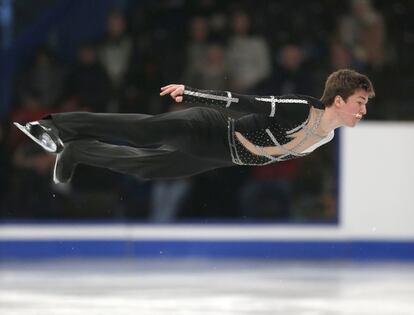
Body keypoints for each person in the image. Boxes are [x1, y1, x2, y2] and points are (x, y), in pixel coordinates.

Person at [13, 69, 374, 184]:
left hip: (219, 156)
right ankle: (53, 125)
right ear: (339, 100)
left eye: (365, 104)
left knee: (148, 168)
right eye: (359, 102)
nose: (363, 110)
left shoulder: (327, 134)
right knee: (147, 132)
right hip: (211, 127)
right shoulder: (302, 110)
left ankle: (77, 150)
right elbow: (243, 102)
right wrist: (194, 95)